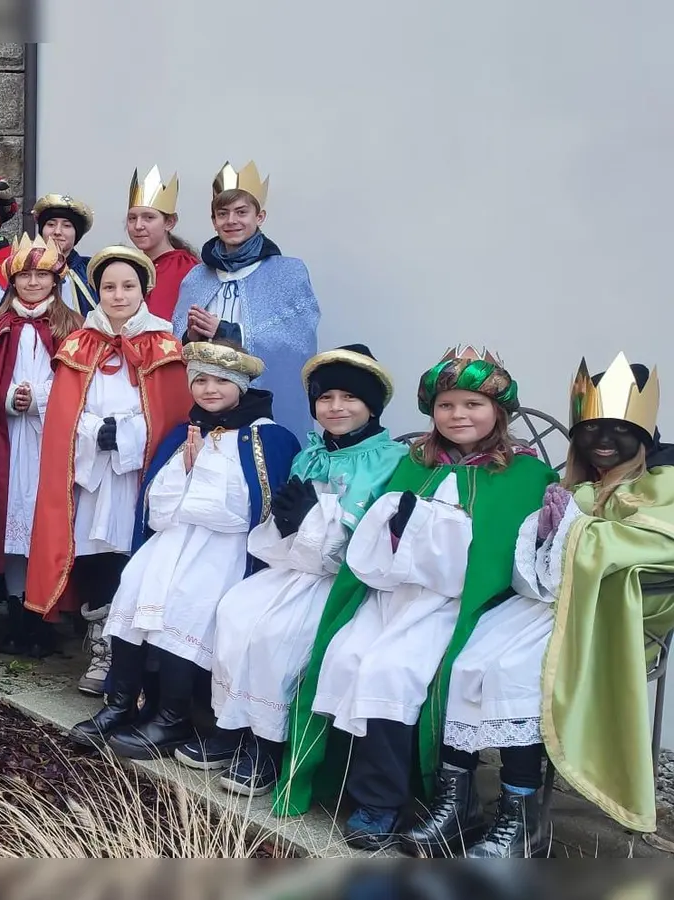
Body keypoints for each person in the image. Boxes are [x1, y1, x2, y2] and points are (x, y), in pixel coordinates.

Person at [277, 347, 555, 851]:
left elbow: (512, 562)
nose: (459, 416)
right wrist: (394, 528)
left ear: (499, 411)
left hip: (457, 607)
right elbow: (369, 539)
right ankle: (336, 780)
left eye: (473, 404)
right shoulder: (415, 462)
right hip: (392, 594)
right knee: (344, 656)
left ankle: (384, 801)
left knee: (392, 670)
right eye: (447, 406)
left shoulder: (525, 475)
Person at [404, 356, 674, 857]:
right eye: (591, 429)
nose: (603, 439)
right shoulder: (576, 486)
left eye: (618, 428)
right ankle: (457, 807)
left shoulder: (662, 484)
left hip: (607, 617)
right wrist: (544, 530)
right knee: (468, 661)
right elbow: (535, 571)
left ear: (645, 434)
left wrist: (573, 531)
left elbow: (658, 543)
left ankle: (521, 822)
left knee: (514, 672)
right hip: (549, 604)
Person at [70, 339, 299, 760]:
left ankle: (172, 719)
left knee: (184, 607)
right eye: (201, 381)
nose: (209, 390)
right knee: (133, 593)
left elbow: (250, 513)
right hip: (172, 538)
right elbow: (157, 507)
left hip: (226, 549)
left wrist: (199, 475)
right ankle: (120, 704)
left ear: (242, 385)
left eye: (221, 381)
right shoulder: (184, 431)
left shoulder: (270, 438)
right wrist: (186, 473)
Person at [203, 345, 406, 796]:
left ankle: (270, 748)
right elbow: (284, 527)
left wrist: (319, 521)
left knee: (278, 635)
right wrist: (292, 523)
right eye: (325, 397)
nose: (336, 408)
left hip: (348, 581)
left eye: (350, 398)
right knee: (237, 610)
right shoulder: (310, 454)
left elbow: (372, 542)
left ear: (372, 407)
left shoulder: (390, 461)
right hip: (298, 565)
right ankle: (236, 725)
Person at [23, 246, 191, 697]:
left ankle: (135, 651)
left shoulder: (166, 345)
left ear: (145, 291)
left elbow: (171, 414)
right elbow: (63, 414)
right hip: (92, 472)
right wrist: (97, 432)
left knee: (134, 556)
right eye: (109, 287)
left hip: (139, 474)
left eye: (128, 287)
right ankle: (102, 646)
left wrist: (129, 434)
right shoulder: (79, 344)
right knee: (96, 554)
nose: (118, 296)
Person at [0, 235, 83, 657]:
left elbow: (81, 387)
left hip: (51, 442)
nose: (33, 283)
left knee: (46, 524)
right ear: (13, 280)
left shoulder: (74, 327)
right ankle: (16, 615)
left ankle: (44, 618)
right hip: (9, 441)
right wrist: (8, 399)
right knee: (13, 525)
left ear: (56, 279)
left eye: (42, 275)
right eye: (26, 275)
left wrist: (41, 399)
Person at [173, 162, 318, 434]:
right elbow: (176, 337)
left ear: (259, 216)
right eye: (222, 213)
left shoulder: (289, 272)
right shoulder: (196, 277)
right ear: (213, 220)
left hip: (264, 402)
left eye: (241, 212)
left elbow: (298, 341)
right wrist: (190, 337)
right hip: (210, 400)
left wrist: (226, 331)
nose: (231, 221)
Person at [125, 166, 197, 321]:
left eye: (148, 217)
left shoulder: (186, 268)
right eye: (132, 218)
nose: (138, 226)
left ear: (169, 222)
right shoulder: (129, 267)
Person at [31, 194, 96, 315]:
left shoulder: (91, 270)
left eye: (66, 226)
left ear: (76, 234)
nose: (57, 232)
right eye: (50, 224)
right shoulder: (26, 267)